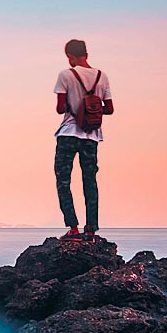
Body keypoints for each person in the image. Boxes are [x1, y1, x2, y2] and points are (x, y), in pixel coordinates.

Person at [54, 39, 113, 241]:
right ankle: (91, 229)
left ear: (70, 56)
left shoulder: (66, 75)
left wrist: (77, 108)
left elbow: (60, 108)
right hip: (91, 136)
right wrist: (91, 109)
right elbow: (110, 109)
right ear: (86, 54)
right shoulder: (101, 77)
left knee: (63, 180)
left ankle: (73, 229)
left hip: (69, 133)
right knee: (90, 181)